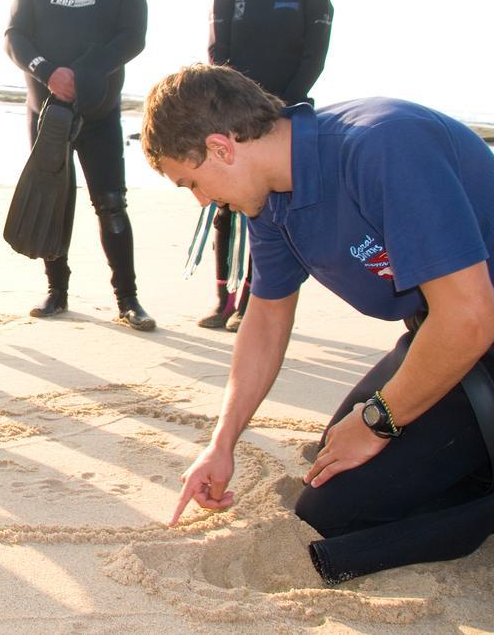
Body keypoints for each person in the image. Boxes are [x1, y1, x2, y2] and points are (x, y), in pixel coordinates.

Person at [145, 64, 494, 584]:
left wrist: (380, 418)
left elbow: (470, 316)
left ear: (221, 147)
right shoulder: (270, 202)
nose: (201, 200)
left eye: (191, 182)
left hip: (472, 326)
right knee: (335, 453)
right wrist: (223, 442)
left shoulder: (380, 146)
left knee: (338, 517)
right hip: (446, 334)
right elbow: (264, 318)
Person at [3, 0, 155, 331]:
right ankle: (57, 291)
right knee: (54, 201)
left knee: (110, 203)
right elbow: (14, 38)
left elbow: (133, 38)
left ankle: (128, 299)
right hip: (47, 115)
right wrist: (48, 71)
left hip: (99, 114)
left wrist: (83, 72)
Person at [199, 0, 334, 331]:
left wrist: (278, 110)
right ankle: (224, 298)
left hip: (284, 115)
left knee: (270, 209)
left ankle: (254, 301)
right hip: (232, 113)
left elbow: (315, 58)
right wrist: (232, 106)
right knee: (226, 207)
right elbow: (217, 55)